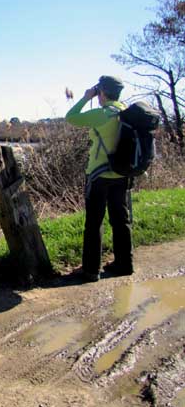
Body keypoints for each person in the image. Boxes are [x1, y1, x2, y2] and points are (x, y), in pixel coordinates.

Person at [65, 75, 133, 281]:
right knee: (121, 220)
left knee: (94, 222)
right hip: (122, 174)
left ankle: (91, 270)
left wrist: (86, 97)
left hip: (98, 175)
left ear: (101, 92)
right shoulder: (126, 111)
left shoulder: (102, 114)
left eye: (98, 91)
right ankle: (124, 264)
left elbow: (71, 116)